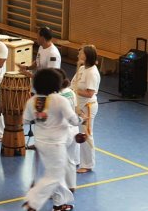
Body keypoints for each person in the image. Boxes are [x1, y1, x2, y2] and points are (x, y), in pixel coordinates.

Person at [22, 69, 81, 211]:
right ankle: (32, 201)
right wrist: (82, 119)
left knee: (54, 173)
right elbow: (73, 120)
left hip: (41, 143)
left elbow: (26, 120)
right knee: (55, 175)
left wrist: (41, 117)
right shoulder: (60, 100)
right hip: (56, 143)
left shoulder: (32, 101)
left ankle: (59, 204)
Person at [71, 45, 100, 174]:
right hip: (77, 105)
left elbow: (89, 93)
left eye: (81, 52)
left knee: (86, 135)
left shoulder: (92, 72)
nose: (78, 54)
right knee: (74, 132)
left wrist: (75, 90)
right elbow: (74, 83)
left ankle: (88, 164)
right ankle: (77, 159)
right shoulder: (82, 68)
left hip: (87, 107)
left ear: (86, 56)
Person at [55, 69, 79, 192]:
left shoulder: (56, 97)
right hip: (74, 129)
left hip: (62, 132)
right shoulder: (71, 92)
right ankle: (71, 185)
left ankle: (56, 192)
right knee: (70, 159)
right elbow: (74, 110)